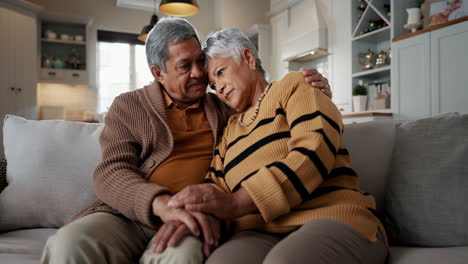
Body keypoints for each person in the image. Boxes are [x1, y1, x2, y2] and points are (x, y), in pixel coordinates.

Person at [40, 18, 332, 264]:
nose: (198, 74)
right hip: (126, 218)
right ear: (158, 73)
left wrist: (312, 89)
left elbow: (265, 101)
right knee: (71, 244)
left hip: (195, 220)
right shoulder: (129, 106)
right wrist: (161, 204)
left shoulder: (224, 105)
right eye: (184, 66)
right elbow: (111, 172)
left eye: (200, 62)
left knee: (186, 255)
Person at [165, 27, 389, 264]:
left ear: (248, 58)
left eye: (221, 72)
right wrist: (191, 215)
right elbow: (215, 185)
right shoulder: (229, 130)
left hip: (331, 216)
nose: (218, 87)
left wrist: (236, 202)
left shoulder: (294, 86)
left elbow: (313, 150)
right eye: (213, 83)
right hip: (257, 230)